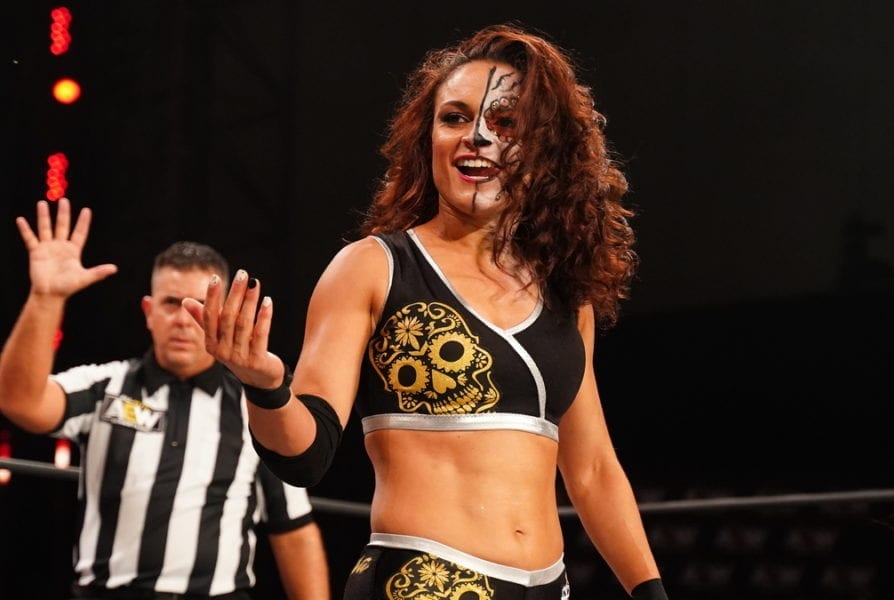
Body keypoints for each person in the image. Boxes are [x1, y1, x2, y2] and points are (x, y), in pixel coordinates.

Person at [184, 23, 668, 600]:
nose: (477, 137)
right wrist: (265, 386)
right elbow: (306, 456)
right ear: (427, 139)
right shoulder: (374, 267)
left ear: (544, 149)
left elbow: (592, 471)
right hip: (423, 579)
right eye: (454, 118)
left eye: (504, 122)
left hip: (549, 586)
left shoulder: (566, 293)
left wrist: (651, 593)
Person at [0, 198, 331, 600]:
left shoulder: (255, 410)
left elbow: (293, 531)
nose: (183, 320)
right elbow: (20, 402)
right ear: (148, 311)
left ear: (223, 316)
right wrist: (45, 297)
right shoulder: (105, 385)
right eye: (171, 303)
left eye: (200, 307)